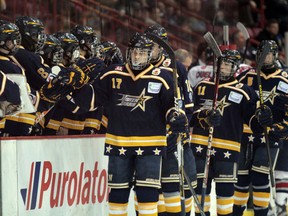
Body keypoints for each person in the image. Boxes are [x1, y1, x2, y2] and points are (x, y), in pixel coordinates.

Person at [67, 32, 190, 216]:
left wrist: (175, 117)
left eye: (142, 53)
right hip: (119, 143)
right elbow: (90, 100)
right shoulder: (113, 73)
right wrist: (77, 85)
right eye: (134, 52)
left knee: (147, 194)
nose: (137, 56)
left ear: (149, 55)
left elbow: (171, 107)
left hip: (150, 145)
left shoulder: (162, 77)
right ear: (128, 52)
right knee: (118, 193)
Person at [190, 48, 272, 216]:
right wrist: (204, 117)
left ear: (235, 68)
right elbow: (190, 116)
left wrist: (262, 118)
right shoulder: (201, 86)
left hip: (228, 150)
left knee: (225, 194)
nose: (224, 68)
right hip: (200, 148)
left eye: (228, 65)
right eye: (222, 64)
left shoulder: (244, 91)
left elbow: (254, 125)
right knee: (199, 192)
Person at [144, 24, 196, 216]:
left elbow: (188, 106)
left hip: (174, 138)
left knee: (173, 188)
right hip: (150, 138)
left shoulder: (176, 67)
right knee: (151, 189)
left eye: (153, 45)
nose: (148, 49)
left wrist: (181, 127)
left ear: (163, 46)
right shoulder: (139, 66)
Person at [233, 40, 288, 216]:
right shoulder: (245, 77)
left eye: (269, 54)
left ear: (276, 55)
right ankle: (236, 212)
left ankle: (262, 213)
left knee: (260, 178)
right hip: (244, 135)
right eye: (261, 54)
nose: (265, 58)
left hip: (269, 137)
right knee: (240, 179)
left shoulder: (284, 80)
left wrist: (283, 127)